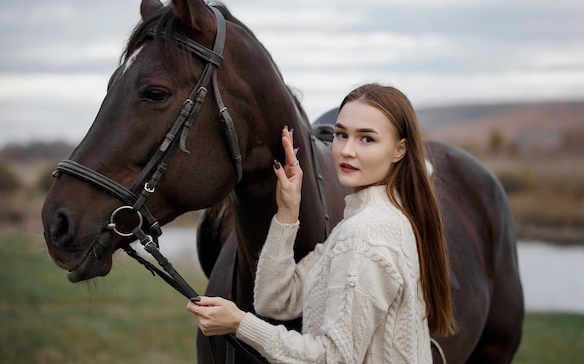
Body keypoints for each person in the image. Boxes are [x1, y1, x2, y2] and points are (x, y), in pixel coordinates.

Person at [186, 83, 456, 363]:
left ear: (399, 150)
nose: (347, 150)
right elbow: (274, 299)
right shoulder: (370, 222)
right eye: (341, 134)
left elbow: (332, 358)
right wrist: (288, 213)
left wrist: (239, 324)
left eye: (367, 139)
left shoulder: (365, 235)